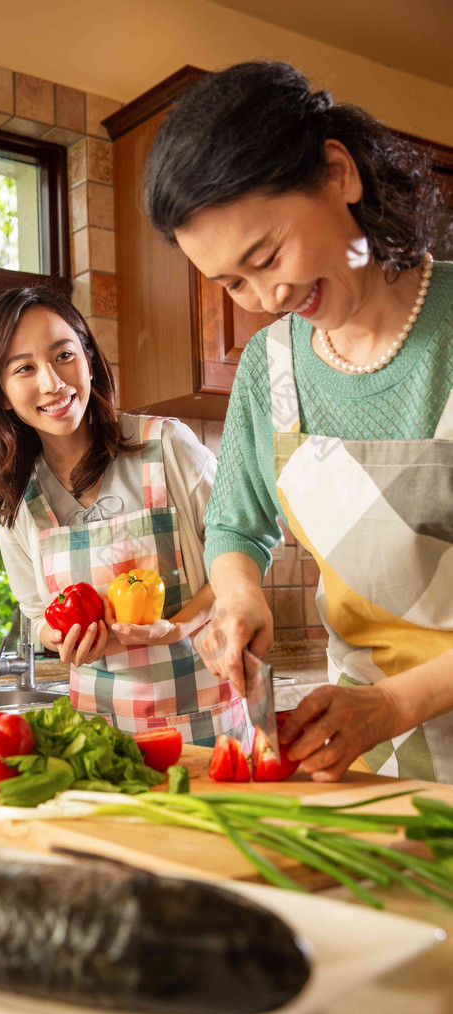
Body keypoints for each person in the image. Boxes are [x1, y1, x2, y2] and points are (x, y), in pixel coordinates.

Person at [145, 60, 453, 782]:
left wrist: (389, 704)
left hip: (381, 720)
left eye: (267, 255)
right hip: (369, 757)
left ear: (338, 173)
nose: (266, 296)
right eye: (233, 283)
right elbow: (234, 525)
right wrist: (243, 596)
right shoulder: (269, 366)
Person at [0, 285, 237, 744]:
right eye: (25, 368)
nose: (52, 382)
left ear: (88, 357)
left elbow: (242, 554)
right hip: (100, 740)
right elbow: (37, 616)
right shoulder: (18, 500)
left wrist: (179, 627)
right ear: (3, 394)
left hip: (208, 725)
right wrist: (60, 637)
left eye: (64, 354)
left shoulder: (167, 445)